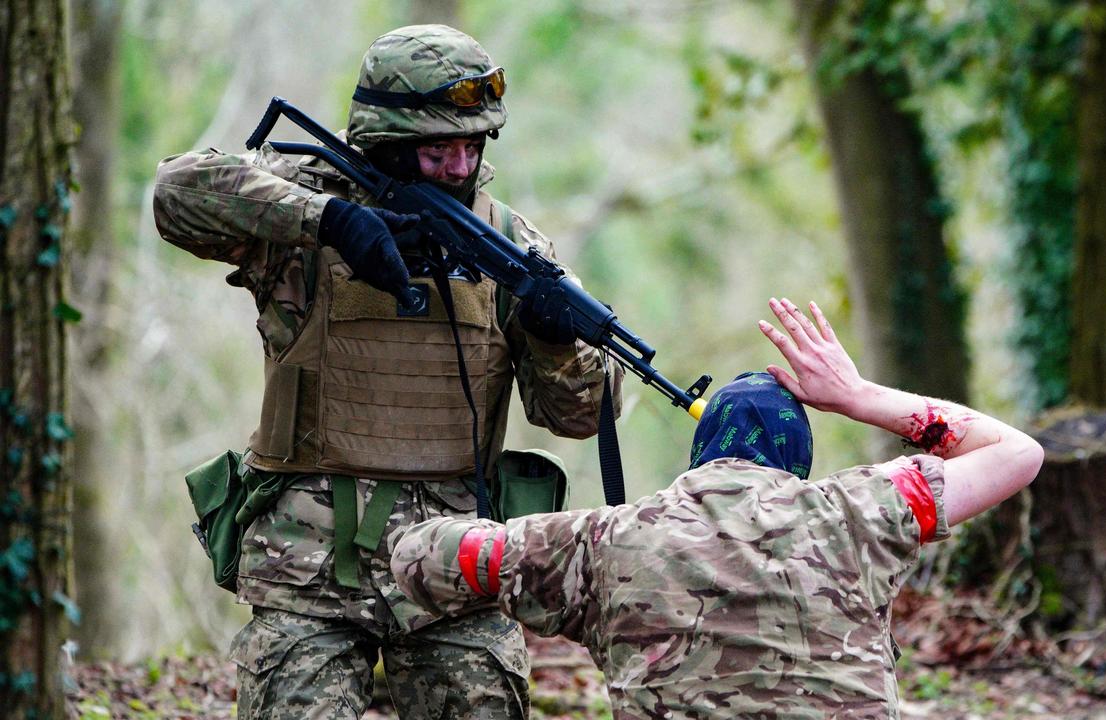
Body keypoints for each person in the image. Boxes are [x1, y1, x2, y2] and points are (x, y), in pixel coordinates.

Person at [154, 24, 622, 719]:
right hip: (305, 565)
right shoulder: (298, 211)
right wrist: (327, 220)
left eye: (472, 147)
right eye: (438, 152)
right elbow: (175, 193)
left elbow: (578, 416)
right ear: (386, 144)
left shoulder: (510, 247)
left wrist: (555, 340)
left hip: (456, 570)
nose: (460, 169)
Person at [391, 297, 1044, 719]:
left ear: (702, 456)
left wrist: (462, 536)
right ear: (797, 463)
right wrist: (857, 397)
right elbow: (1016, 453)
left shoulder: (603, 542)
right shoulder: (864, 511)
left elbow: (424, 558)